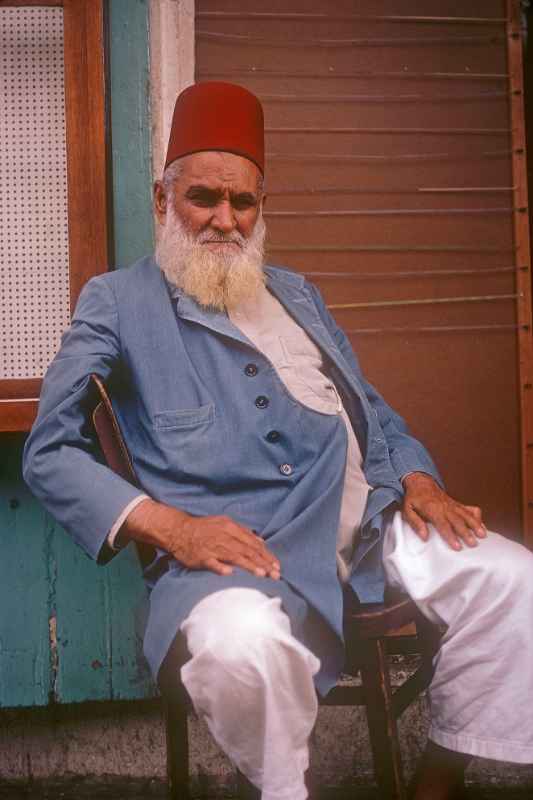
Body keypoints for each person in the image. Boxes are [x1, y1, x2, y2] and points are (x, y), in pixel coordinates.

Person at [23, 82, 533, 800]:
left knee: (511, 579)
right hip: (236, 554)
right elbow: (48, 450)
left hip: (365, 530)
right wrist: (172, 527)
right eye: (203, 197)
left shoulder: (297, 293)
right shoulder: (116, 301)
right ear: (162, 199)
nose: (224, 220)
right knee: (241, 649)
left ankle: (440, 777)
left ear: (261, 206)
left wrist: (418, 479)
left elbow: (368, 408)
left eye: (243, 202)